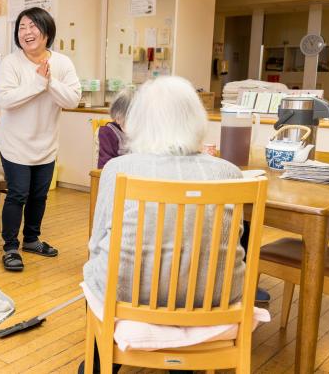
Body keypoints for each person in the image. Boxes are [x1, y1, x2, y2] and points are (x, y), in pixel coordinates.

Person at [81, 76, 246, 373]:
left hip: (128, 293)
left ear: (139, 120)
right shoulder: (229, 173)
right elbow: (234, 242)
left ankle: (99, 363)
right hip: (214, 297)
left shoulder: (118, 170)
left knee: (94, 271)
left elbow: (96, 244)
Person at [0, 7, 81, 272]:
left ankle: (31, 239)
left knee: (39, 196)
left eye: (32, 26)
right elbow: (7, 100)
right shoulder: (11, 62)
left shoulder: (62, 63)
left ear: (46, 32)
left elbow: (73, 100)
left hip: (46, 142)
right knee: (18, 194)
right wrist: (38, 83)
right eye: (22, 27)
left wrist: (49, 81)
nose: (26, 32)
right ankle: (10, 247)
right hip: (15, 142)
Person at [96, 89, 134, 168]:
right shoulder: (107, 133)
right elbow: (104, 166)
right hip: (117, 176)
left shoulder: (143, 132)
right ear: (117, 117)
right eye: (128, 118)